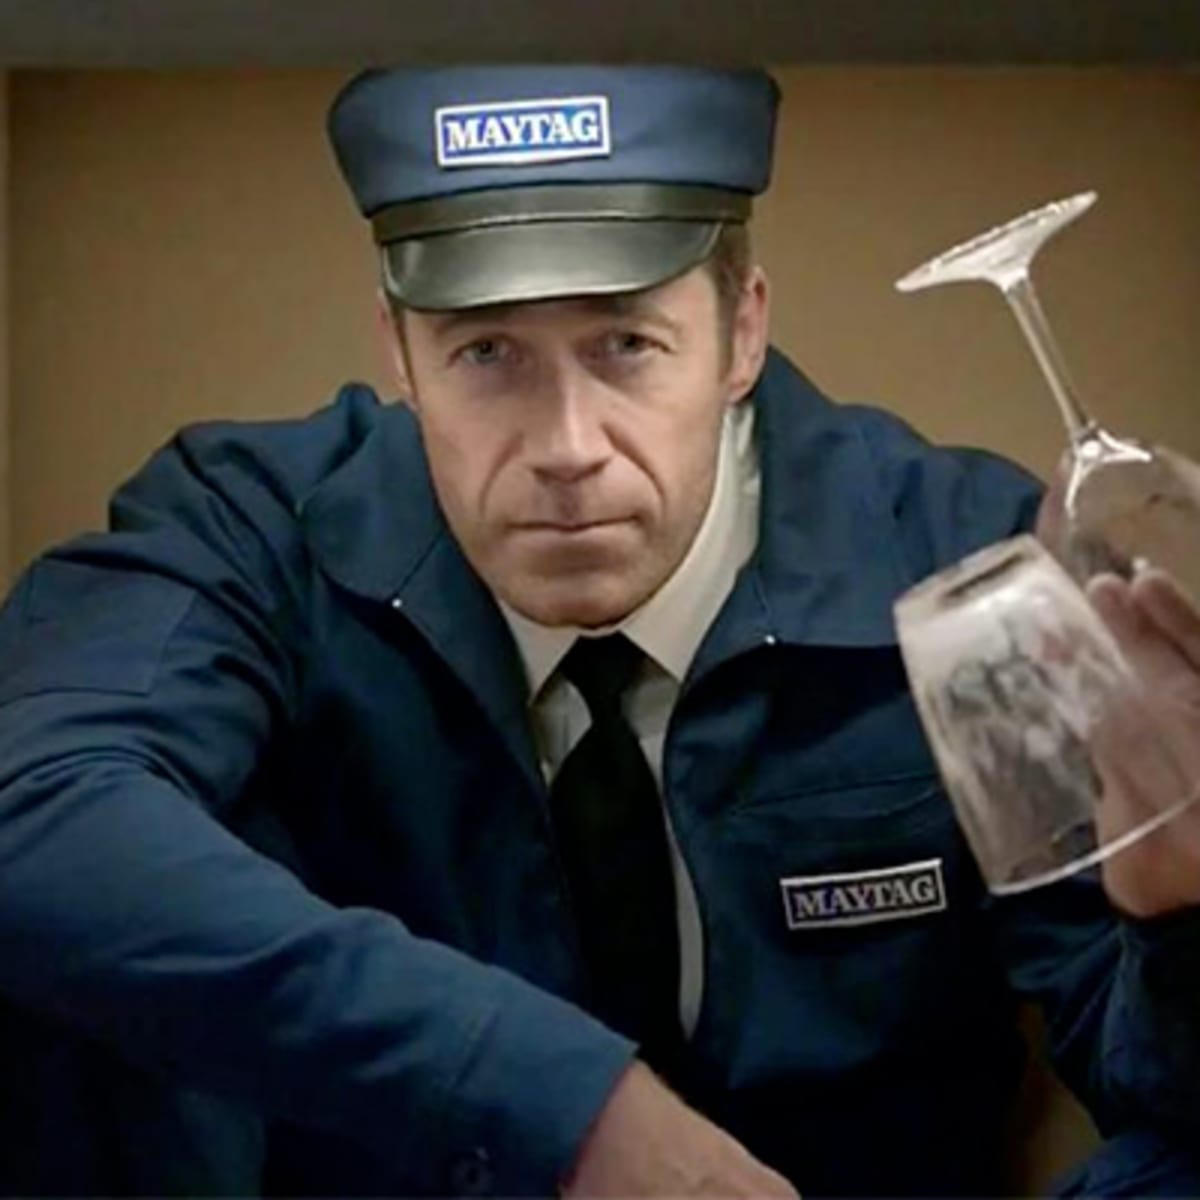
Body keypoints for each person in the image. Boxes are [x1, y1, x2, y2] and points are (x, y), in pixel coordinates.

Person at [0, 64, 1198, 1198]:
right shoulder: (253, 527)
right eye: (486, 354)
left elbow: (1154, 1081)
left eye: (626, 345)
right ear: (398, 352)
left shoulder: (964, 564)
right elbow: (34, 814)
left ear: (742, 332)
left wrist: (1175, 916)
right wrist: (555, 1101)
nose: (567, 447)